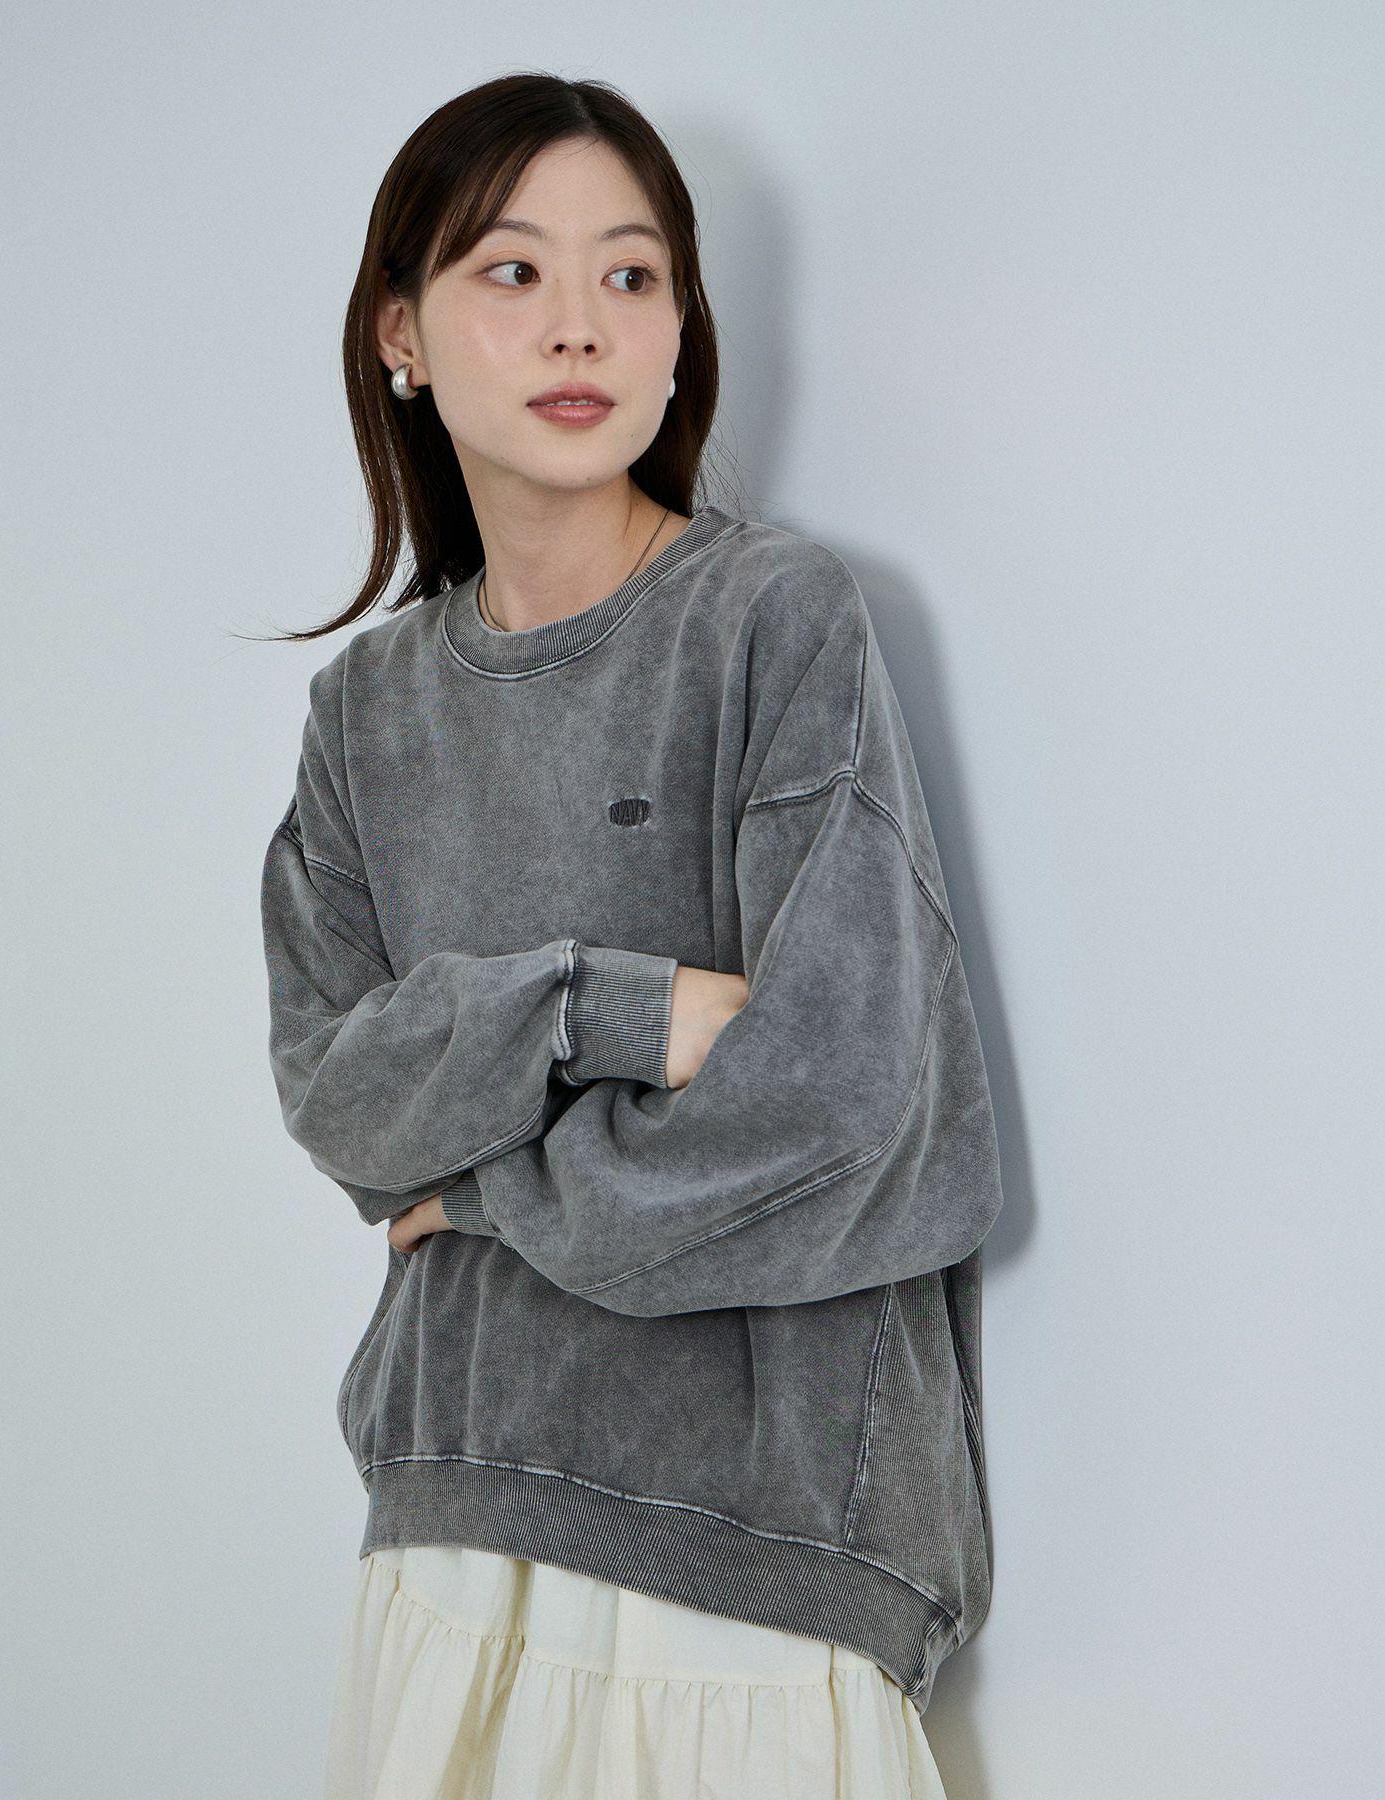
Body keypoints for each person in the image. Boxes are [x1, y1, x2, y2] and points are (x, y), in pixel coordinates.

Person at [257, 69, 1004, 1800]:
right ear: (401, 334)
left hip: (757, 1559)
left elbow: (856, 1114)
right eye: (513, 271)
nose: (580, 322)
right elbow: (335, 1090)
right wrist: (610, 1008)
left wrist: (474, 1194)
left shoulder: (771, 620)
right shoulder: (366, 711)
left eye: (634, 273)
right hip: (449, 1525)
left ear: (681, 333)